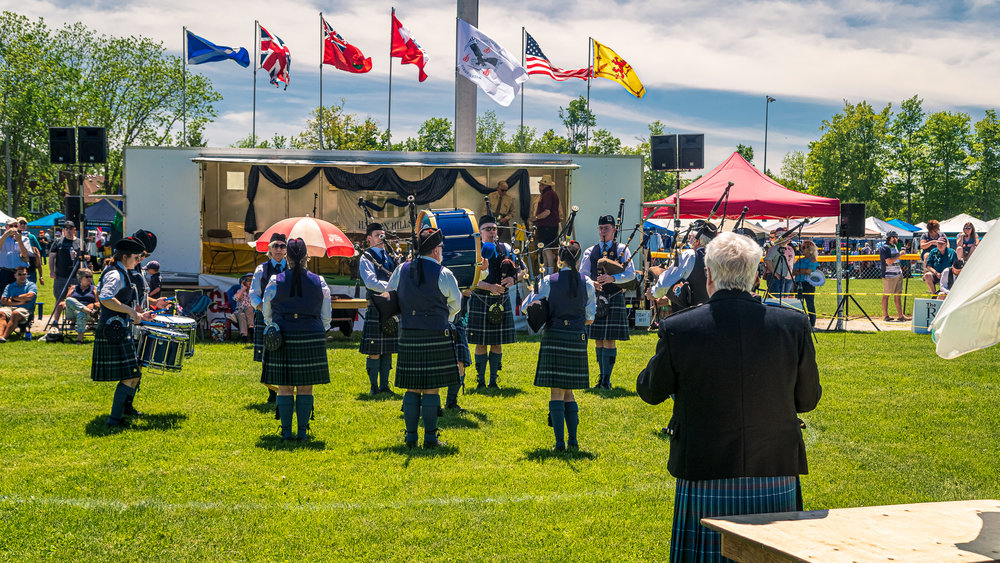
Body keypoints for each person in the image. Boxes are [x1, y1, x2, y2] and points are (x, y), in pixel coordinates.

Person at [636, 231, 821, 562]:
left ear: (708, 275)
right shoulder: (792, 324)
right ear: (755, 275)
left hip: (705, 470)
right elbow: (807, 399)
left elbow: (650, 391)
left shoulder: (681, 327)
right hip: (774, 469)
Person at [386, 227, 462, 449]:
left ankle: (411, 437)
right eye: (440, 248)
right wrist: (443, 315)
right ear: (436, 251)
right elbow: (456, 303)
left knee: (412, 387)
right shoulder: (444, 273)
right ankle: (430, 438)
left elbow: (390, 295)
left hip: (409, 332)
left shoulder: (401, 269)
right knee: (431, 388)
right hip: (437, 333)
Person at [261, 238, 332, 441]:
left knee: (284, 386)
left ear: (287, 258)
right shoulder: (320, 281)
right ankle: (302, 431)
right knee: (305, 386)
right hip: (311, 335)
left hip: (283, 335)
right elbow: (326, 315)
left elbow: (267, 313)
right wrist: (317, 329)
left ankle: (286, 432)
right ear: (306, 258)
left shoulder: (275, 281)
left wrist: (274, 327)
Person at [531, 241, 596, 451]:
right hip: (577, 337)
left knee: (556, 391)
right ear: (577, 260)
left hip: (555, 335)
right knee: (568, 390)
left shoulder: (549, 280)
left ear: (559, 259)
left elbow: (527, 308)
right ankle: (573, 442)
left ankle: (560, 444)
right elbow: (590, 318)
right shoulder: (587, 282)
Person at [91, 236, 155, 426]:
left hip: (119, 326)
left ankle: (122, 412)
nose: (138, 260)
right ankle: (114, 420)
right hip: (113, 329)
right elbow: (105, 298)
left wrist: (141, 316)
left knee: (134, 373)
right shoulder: (115, 274)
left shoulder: (123, 271)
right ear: (125, 256)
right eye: (136, 256)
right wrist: (130, 311)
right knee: (131, 374)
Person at [581, 214, 635, 390]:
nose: (603, 231)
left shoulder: (622, 250)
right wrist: (592, 283)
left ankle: (606, 379)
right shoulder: (590, 251)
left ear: (614, 230)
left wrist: (612, 278)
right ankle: (601, 377)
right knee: (598, 340)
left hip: (614, 297)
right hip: (596, 298)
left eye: (607, 228)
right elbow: (582, 275)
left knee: (609, 340)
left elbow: (631, 274)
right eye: (601, 228)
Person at [468, 214, 518, 389]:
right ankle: (480, 380)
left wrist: (513, 279)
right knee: (481, 343)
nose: (492, 232)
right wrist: (489, 287)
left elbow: (520, 271)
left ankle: (493, 380)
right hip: (481, 299)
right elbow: (469, 280)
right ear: (479, 232)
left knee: (497, 342)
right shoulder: (473, 250)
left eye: (494, 228)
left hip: (501, 300)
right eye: (487, 229)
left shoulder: (505, 248)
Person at [358, 223, 399, 396]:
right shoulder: (366, 258)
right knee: (375, 349)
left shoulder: (389, 256)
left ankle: (385, 386)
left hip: (391, 306)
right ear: (369, 239)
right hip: (376, 305)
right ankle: (374, 386)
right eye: (377, 235)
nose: (381, 238)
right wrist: (393, 287)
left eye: (383, 235)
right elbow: (371, 282)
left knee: (388, 349)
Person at [249, 233, 288, 404]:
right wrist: (266, 312)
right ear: (269, 249)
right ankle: (272, 393)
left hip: (287, 317)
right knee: (269, 355)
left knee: (287, 354)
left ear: (286, 250)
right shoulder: (261, 269)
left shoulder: (293, 268)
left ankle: (285, 390)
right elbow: (253, 295)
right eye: (275, 246)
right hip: (266, 318)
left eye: (282, 246)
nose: (278, 249)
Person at [646, 225, 714, 315]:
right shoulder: (717, 258)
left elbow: (666, 281)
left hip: (691, 315)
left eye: (690, 237)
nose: (688, 240)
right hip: (713, 314)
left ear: (697, 241)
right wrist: (668, 299)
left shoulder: (690, 254)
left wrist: (653, 292)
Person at [48, 220, 83, 323]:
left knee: (75, 299)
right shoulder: (58, 242)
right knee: (59, 299)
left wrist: (79, 255)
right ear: (63, 230)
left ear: (74, 230)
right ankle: (55, 321)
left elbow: (86, 256)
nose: (68, 231)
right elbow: (51, 257)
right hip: (61, 276)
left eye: (70, 228)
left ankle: (73, 321)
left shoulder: (80, 242)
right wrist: (51, 271)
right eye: (66, 228)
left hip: (76, 276)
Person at [446, 291, 473, 412]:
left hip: (456, 321)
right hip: (433, 320)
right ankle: (428, 401)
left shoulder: (451, 274)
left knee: (460, 362)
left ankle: (451, 402)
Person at [59, 267, 99, 343]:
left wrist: (93, 305)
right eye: (87, 277)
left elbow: (99, 303)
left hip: (87, 313)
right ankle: (86, 311)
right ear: (80, 278)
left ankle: (79, 340)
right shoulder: (73, 288)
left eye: (91, 276)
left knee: (81, 313)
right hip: (73, 312)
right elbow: (67, 301)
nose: (90, 278)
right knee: (69, 300)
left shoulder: (94, 289)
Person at [531, 175, 560, 275]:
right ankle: (546, 273)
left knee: (547, 250)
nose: (539, 187)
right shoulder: (552, 194)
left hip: (547, 227)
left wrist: (536, 218)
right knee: (544, 250)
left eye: (540, 185)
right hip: (550, 226)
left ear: (543, 185)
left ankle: (549, 273)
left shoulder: (547, 195)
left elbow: (547, 212)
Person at [0, 266, 37, 342]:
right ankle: (0, 335)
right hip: (11, 308)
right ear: (15, 276)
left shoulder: (31, 285)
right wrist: (21, 302)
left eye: (24, 274)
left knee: (15, 313)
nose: (22, 276)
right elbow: (3, 301)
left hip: (26, 309)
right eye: (20, 274)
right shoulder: (9, 286)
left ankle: (4, 337)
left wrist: (12, 298)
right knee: (1, 313)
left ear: (27, 274)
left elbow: (29, 296)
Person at [879, 231, 908, 322]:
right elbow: (889, 261)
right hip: (889, 275)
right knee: (886, 295)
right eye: (895, 237)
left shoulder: (894, 246)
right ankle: (886, 315)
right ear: (891, 238)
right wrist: (900, 254)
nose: (897, 239)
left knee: (898, 294)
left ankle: (900, 315)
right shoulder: (885, 248)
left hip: (897, 273)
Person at [1, 219, 33, 299]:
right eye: (11, 226)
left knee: (19, 297)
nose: (13, 229)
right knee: (3, 297)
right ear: (6, 227)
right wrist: (5, 235)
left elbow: (25, 254)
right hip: (4, 272)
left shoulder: (24, 239)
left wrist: (19, 240)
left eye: (15, 226)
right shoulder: (2, 238)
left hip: (20, 272)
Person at [792, 240, 820, 327]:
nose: (801, 249)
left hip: (808, 284)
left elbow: (808, 271)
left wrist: (799, 271)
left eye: (803, 247)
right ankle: (798, 322)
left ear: (809, 249)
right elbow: (793, 271)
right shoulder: (800, 259)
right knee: (798, 304)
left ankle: (812, 324)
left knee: (809, 304)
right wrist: (801, 271)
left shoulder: (812, 259)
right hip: (798, 283)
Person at [763, 228, 795, 296]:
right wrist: (775, 274)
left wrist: (793, 273)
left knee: (785, 299)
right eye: (786, 237)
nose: (788, 239)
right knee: (776, 299)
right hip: (776, 278)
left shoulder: (790, 249)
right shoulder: (774, 248)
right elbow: (767, 260)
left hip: (787, 277)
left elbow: (792, 262)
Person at [227, 273, 255, 343]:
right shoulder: (240, 291)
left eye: (252, 280)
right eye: (248, 280)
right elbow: (236, 298)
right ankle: (250, 332)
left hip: (251, 312)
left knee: (248, 309)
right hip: (239, 311)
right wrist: (243, 288)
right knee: (241, 313)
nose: (251, 282)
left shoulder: (255, 292)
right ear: (244, 281)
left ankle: (245, 336)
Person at [17, 218, 43, 285]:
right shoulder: (13, 236)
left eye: (24, 223)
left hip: (31, 268)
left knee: (31, 290)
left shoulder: (31, 237)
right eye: (21, 223)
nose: (23, 225)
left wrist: (41, 275)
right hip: (18, 269)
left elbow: (38, 251)